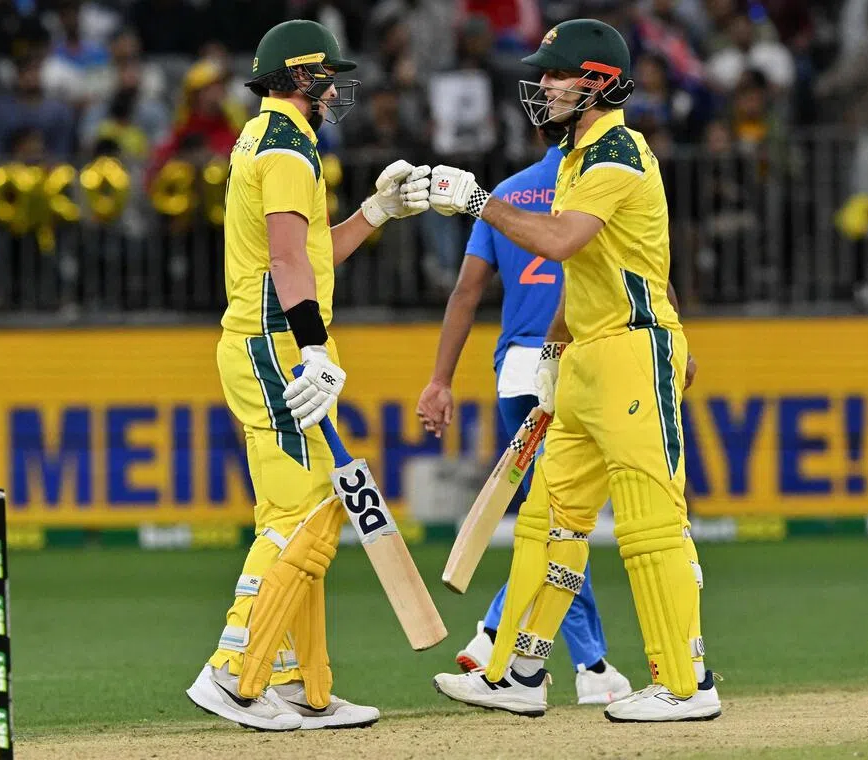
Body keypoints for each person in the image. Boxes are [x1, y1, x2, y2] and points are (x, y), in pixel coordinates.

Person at [426, 19, 720, 722]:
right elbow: (583, 279)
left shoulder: (618, 154)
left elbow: (560, 244)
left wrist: (475, 202)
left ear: (595, 83)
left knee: (651, 525)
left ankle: (686, 685)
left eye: (557, 75)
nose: (544, 86)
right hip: (587, 356)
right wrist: (555, 357)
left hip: (633, 348)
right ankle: (517, 672)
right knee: (549, 520)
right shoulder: (572, 161)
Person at [185, 19, 431, 732]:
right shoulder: (288, 145)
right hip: (274, 346)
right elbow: (288, 264)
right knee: (306, 515)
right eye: (326, 78)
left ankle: (298, 682)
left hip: (264, 339)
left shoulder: (268, 138)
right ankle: (234, 672)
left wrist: (377, 211)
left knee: (299, 510)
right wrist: (315, 349)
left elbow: (312, 251)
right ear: (301, 78)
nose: (334, 91)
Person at [415, 125, 633, 707]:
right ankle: (506, 640)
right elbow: (639, 273)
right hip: (581, 361)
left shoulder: (509, 192)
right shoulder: (599, 183)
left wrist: (440, 379)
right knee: (563, 519)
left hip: (517, 369)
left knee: (555, 516)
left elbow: (465, 293)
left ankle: (580, 663)